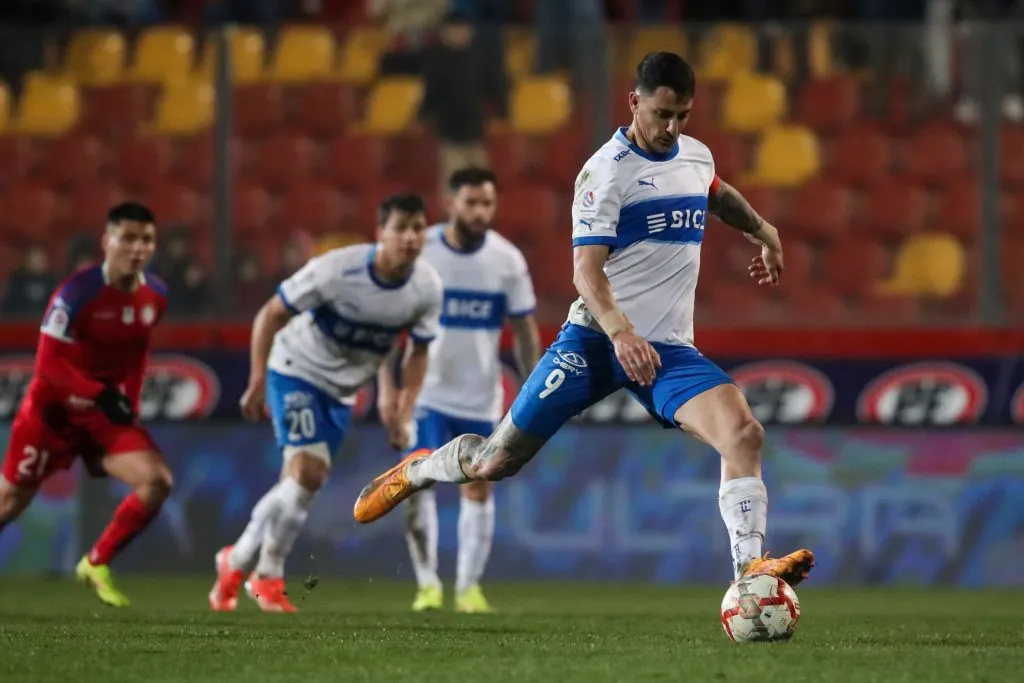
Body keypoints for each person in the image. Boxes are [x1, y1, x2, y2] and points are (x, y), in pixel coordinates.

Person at [352, 52, 815, 588]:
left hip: (667, 349)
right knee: (495, 462)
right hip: (596, 339)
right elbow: (585, 270)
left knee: (744, 433)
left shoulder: (695, 157)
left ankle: (750, 572)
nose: (671, 128)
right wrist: (619, 331)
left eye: (682, 116)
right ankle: (417, 470)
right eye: (662, 114)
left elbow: (716, 194)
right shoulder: (604, 173)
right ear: (634, 102)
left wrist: (763, 230)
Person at [209, 193, 443, 613]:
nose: (410, 237)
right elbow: (270, 314)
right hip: (295, 369)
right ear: (381, 233)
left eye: (418, 228)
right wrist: (257, 378)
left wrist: (401, 407)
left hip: (342, 391)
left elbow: (417, 352)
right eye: (401, 228)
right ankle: (254, 567)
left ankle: (249, 565)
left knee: (297, 488)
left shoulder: (426, 288)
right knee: (308, 475)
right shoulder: (337, 269)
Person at [379, 168, 540, 613]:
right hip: (426, 395)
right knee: (417, 482)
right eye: (470, 202)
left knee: (479, 487)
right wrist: (390, 389)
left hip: (480, 396)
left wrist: (535, 389)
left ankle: (468, 589)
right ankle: (427, 585)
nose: (479, 212)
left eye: (487, 203)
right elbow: (392, 319)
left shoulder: (507, 260)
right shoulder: (421, 249)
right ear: (450, 202)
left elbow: (525, 330)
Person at [0, 202, 171, 607]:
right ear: (107, 242)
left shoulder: (156, 295)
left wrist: (127, 403)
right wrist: (98, 394)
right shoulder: (75, 293)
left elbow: (137, 353)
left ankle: (95, 562)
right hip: (53, 413)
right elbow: (48, 367)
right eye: (128, 237)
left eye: (146, 239)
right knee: (10, 502)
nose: (137, 248)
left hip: (104, 416)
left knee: (156, 481)